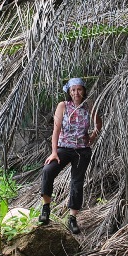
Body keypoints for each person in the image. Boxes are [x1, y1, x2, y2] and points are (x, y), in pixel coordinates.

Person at [38, 77, 102, 234]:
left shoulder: (88, 106)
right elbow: (56, 130)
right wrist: (54, 152)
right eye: (73, 90)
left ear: (84, 91)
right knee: (48, 171)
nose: (76, 93)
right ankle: (46, 208)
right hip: (64, 148)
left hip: (82, 150)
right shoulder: (63, 106)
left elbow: (99, 124)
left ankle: (72, 219)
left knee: (77, 182)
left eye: (79, 89)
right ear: (69, 91)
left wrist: (92, 138)